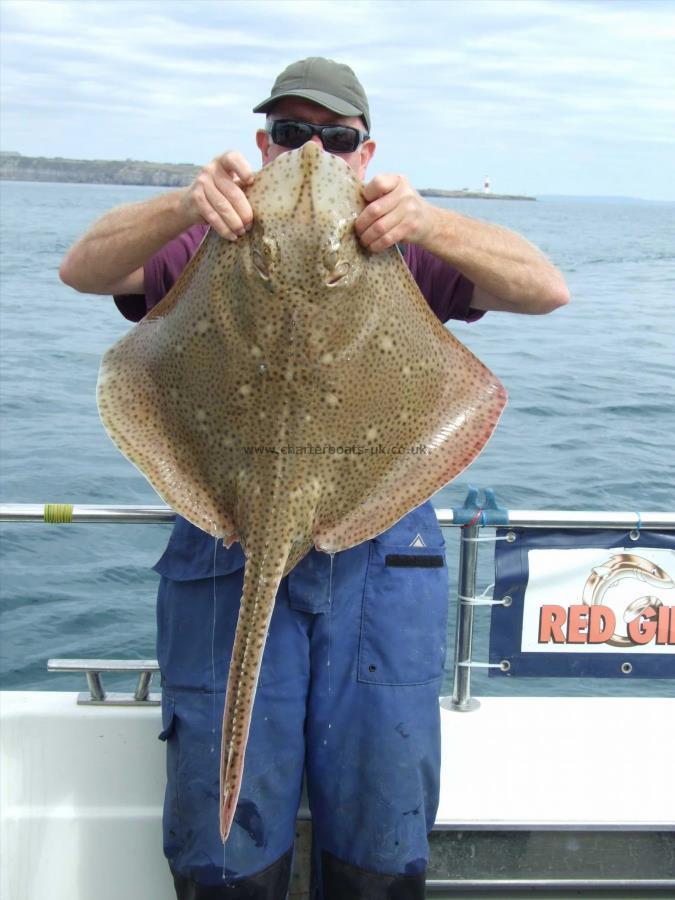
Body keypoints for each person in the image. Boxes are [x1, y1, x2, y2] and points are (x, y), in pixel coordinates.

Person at [61, 57, 568, 900]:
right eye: (291, 134)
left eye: (334, 139)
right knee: (224, 853)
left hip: (375, 544)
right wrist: (188, 203)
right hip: (227, 532)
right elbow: (83, 268)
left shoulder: (397, 244)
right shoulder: (215, 236)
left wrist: (427, 222)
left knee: (380, 832)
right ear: (262, 145)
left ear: (365, 155)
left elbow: (545, 288)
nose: (311, 155)